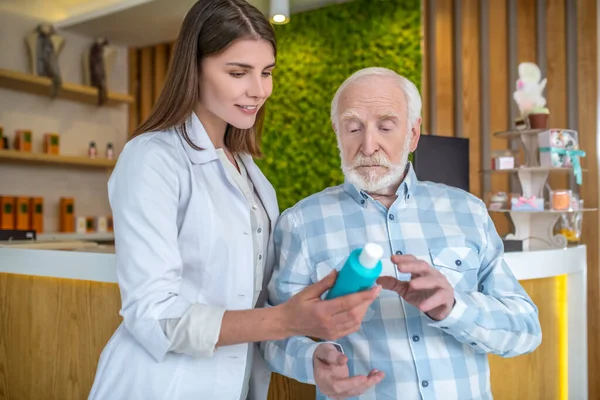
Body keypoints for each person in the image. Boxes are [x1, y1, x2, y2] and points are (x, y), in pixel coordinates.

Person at [88, 2, 379, 399]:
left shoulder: (248, 172)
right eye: (238, 72)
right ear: (195, 68)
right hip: (160, 385)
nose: (258, 90)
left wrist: (310, 349)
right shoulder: (152, 158)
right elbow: (152, 316)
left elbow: (254, 302)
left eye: (267, 72)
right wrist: (282, 320)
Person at [262, 67, 542, 400]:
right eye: (353, 128)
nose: (368, 146)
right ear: (337, 133)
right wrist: (310, 361)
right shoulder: (301, 223)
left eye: (385, 126)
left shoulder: (467, 211)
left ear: (412, 134)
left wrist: (454, 307)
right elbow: (273, 334)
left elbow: (526, 330)